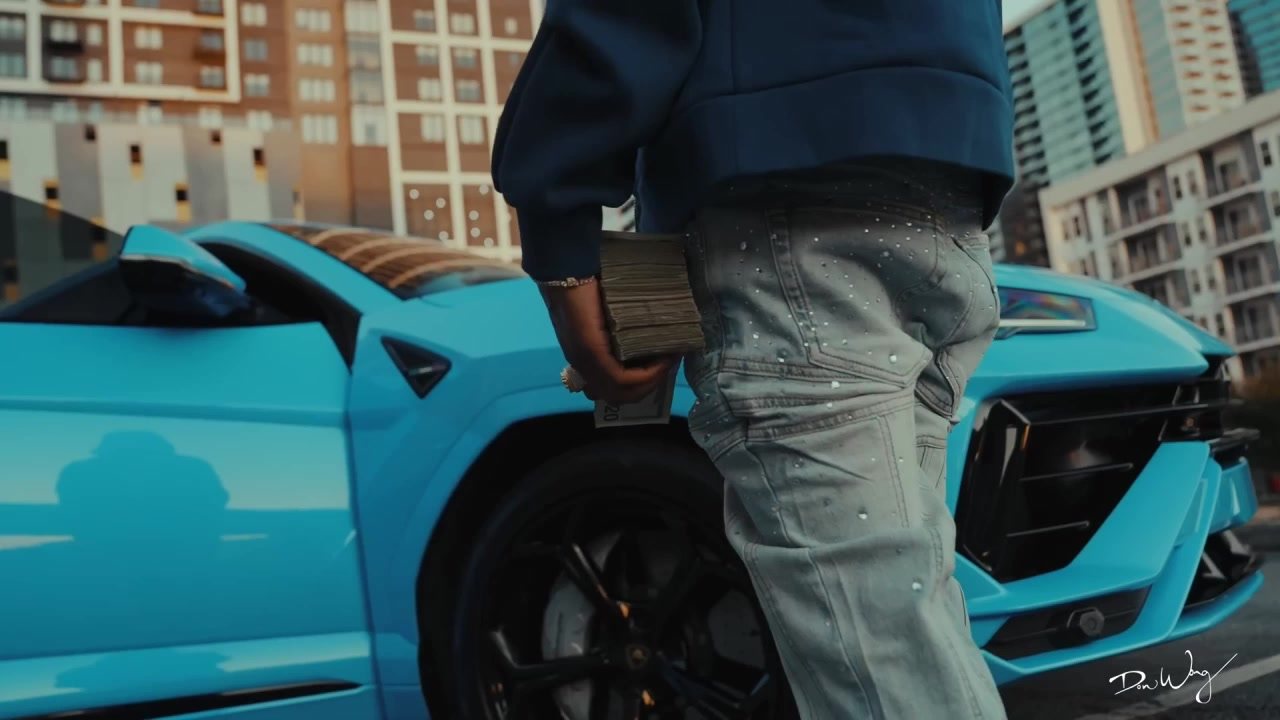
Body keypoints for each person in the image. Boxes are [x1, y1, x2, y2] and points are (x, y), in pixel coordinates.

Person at [492, 1, 1013, 717]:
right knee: (911, 623)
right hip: (950, 187)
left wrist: (558, 223)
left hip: (785, 221)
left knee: (887, 663)